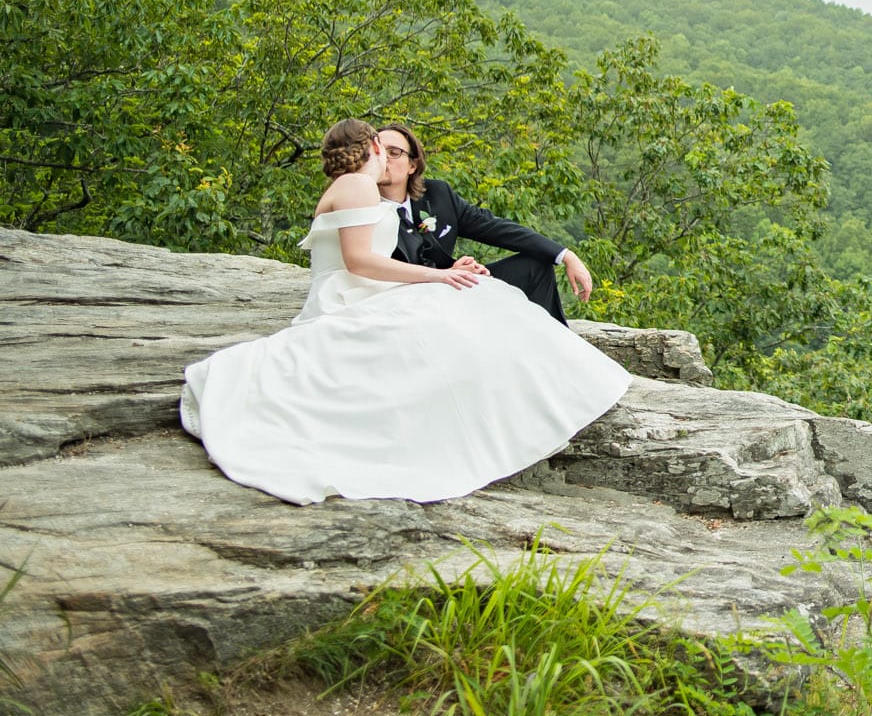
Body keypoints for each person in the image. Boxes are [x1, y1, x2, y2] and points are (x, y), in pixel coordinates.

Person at [178, 118, 632, 505]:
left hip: (379, 287)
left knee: (498, 290)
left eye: (400, 152)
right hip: (357, 294)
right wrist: (442, 276)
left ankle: (551, 370)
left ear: (413, 163)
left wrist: (555, 255)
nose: (390, 158)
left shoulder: (425, 195)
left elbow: (493, 228)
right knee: (461, 315)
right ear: (373, 149)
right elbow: (361, 260)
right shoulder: (360, 189)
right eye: (385, 148)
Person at [375, 122, 593, 325]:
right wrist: (448, 273)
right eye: (377, 151)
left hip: (457, 288)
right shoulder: (365, 208)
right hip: (406, 303)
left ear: (412, 165)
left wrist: (566, 255)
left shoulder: (437, 194)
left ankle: (553, 346)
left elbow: (494, 227)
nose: (383, 158)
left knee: (535, 267)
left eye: (394, 152)